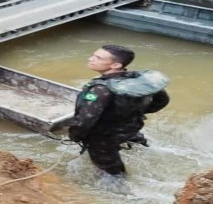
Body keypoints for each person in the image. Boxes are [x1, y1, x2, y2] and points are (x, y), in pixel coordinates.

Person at [68, 45, 170, 175]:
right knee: (139, 143)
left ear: (116, 65)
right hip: (131, 127)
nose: (90, 59)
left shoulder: (100, 89)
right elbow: (162, 100)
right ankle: (147, 148)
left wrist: (74, 136)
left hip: (104, 137)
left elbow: (85, 120)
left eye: (98, 58)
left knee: (111, 172)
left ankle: (123, 189)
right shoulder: (140, 80)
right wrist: (136, 112)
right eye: (93, 55)